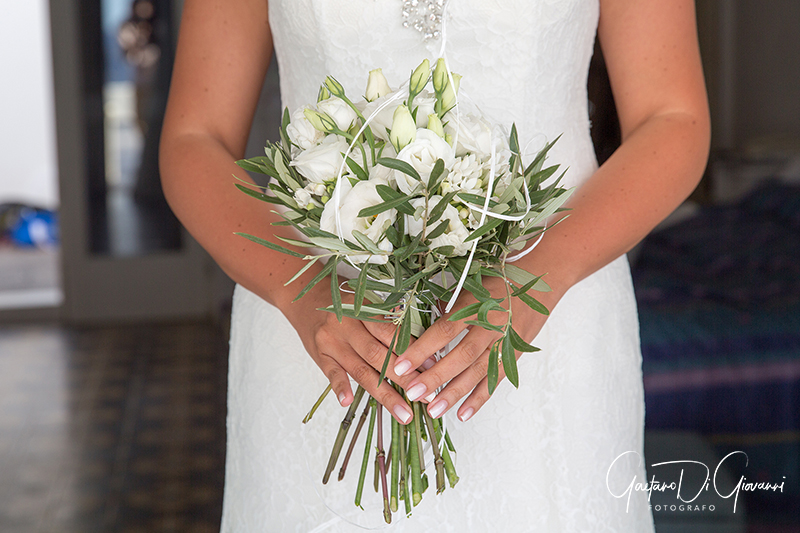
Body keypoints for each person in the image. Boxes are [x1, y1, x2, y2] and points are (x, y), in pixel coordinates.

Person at [160, 0, 710, 530]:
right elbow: (194, 137)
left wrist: (532, 278)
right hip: (320, 326)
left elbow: (672, 116)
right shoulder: (308, 303)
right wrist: (304, 290)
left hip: (551, 322)